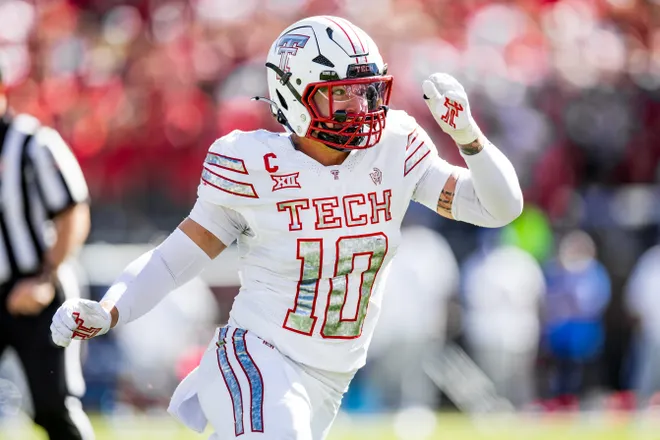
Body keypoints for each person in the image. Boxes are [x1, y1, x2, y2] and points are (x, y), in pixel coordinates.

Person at [50, 15, 523, 440]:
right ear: (293, 95)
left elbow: (496, 208)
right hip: (259, 354)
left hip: (332, 374)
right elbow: (176, 259)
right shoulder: (252, 164)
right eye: (341, 93)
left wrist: (469, 139)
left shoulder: (394, 148)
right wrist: (112, 310)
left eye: (367, 91)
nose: (360, 106)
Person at [0, 71, 94, 439]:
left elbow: (74, 211)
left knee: (54, 408)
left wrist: (44, 277)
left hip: (38, 291)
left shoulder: (33, 142)